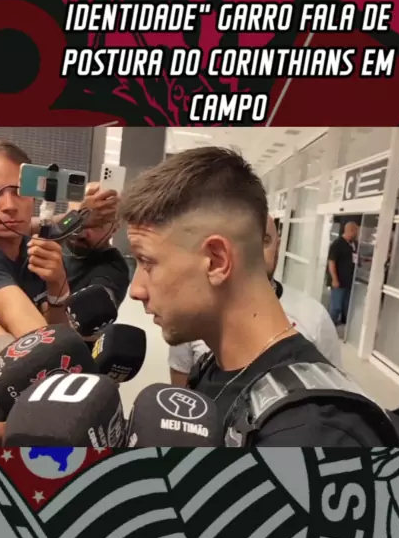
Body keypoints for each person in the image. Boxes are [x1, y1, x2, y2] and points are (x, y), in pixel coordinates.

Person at [121, 147, 381, 445]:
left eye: (147, 262)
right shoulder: (214, 367)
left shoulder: (312, 431)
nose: (136, 289)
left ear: (216, 261)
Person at [168, 214, 341, 386]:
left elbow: (331, 386)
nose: (253, 253)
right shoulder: (193, 312)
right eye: (242, 241)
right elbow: (180, 386)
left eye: (264, 241)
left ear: (278, 246)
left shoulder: (315, 318)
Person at [0, 140, 71, 365]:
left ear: (34, 197)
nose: (9, 205)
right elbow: (45, 349)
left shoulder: (35, 249)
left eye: (19, 192)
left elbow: (59, 333)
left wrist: (57, 286)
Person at [62, 182, 130, 308]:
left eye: (95, 224)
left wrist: (55, 286)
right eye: (76, 217)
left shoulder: (112, 271)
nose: (80, 233)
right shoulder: (52, 239)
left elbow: (89, 311)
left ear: (114, 228)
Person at [327, 221, 359, 328]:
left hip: (349, 282)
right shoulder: (337, 244)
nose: (357, 234)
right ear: (350, 231)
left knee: (346, 306)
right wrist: (334, 279)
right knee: (336, 307)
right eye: (356, 231)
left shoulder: (353, 244)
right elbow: (331, 262)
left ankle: (343, 326)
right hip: (339, 282)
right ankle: (330, 326)